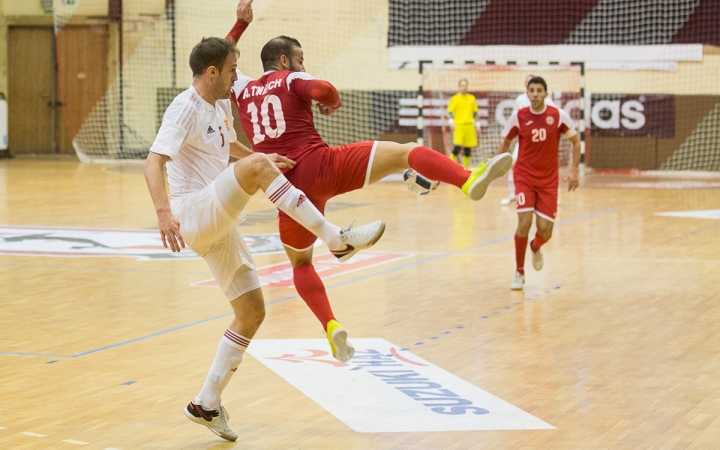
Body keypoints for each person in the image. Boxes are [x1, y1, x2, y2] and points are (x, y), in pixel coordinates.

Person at [225, 0, 512, 360]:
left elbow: (222, 58)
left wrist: (238, 26)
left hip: (284, 190)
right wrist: (332, 101)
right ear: (284, 61)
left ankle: (331, 326)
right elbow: (325, 91)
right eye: (300, 59)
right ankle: (466, 180)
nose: (303, 65)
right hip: (322, 166)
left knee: (302, 264)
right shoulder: (292, 78)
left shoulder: (240, 88)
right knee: (405, 150)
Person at [144, 33, 385, 441]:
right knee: (256, 167)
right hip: (192, 212)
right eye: (233, 69)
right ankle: (334, 237)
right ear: (212, 72)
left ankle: (206, 402)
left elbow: (227, 143)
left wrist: (238, 25)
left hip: (216, 221)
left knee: (252, 312)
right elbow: (153, 163)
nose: (240, 77)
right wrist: (164, 213)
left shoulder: (219, 102)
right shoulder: (184, 107)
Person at [495, 76, 581, 290]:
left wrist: (574, 170)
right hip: (524, 177)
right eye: (531, 90)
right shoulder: (518, 116)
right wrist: (493, 168)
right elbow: (506, 142)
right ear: (527, 93)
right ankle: (519, 272)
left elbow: (576, 142)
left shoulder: (557, 115)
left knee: (545, 230)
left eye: (539, 90)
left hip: (549, 181)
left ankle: (536, 246)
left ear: (545, 94)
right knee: (523, 223)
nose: (534, 94)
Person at [500, 75, 558, 206]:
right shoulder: (520, 99)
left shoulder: (546, 100)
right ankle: (512, 194)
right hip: (524, 140)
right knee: (513, 164)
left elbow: (556, 114)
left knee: (548, 168)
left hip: (541, 142)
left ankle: (555, 196)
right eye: (528, 83)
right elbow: (516, 118)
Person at [446, 79, 479, 169]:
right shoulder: (455, 99)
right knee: (457, 147)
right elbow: (449, 112)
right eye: (462, 85)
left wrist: (478, 124)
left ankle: (465, 169)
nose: (464, 87)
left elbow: (475, 112)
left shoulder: (471, 98)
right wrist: (451, 122)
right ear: (459, 87)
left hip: (469, 126)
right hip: (459, 126)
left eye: (465, 85)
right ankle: (449, 167)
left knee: (468, 149)